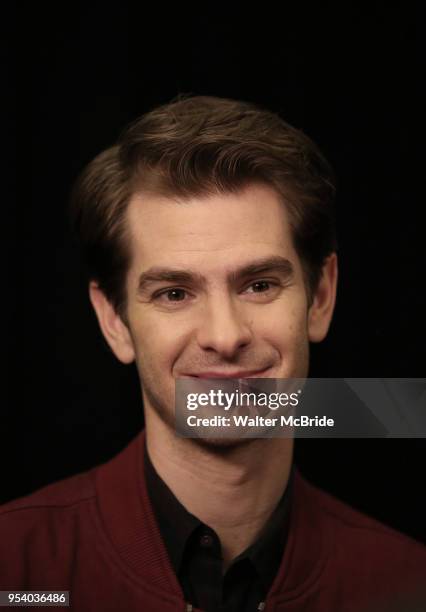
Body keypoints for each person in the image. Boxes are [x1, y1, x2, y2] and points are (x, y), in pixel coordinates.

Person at [1, 96, 425, 612]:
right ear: (114, 320)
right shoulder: (15, 572)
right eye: (174, 294)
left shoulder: (408, 586)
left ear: (320, 297)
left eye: (260, 284)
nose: (225, 337)